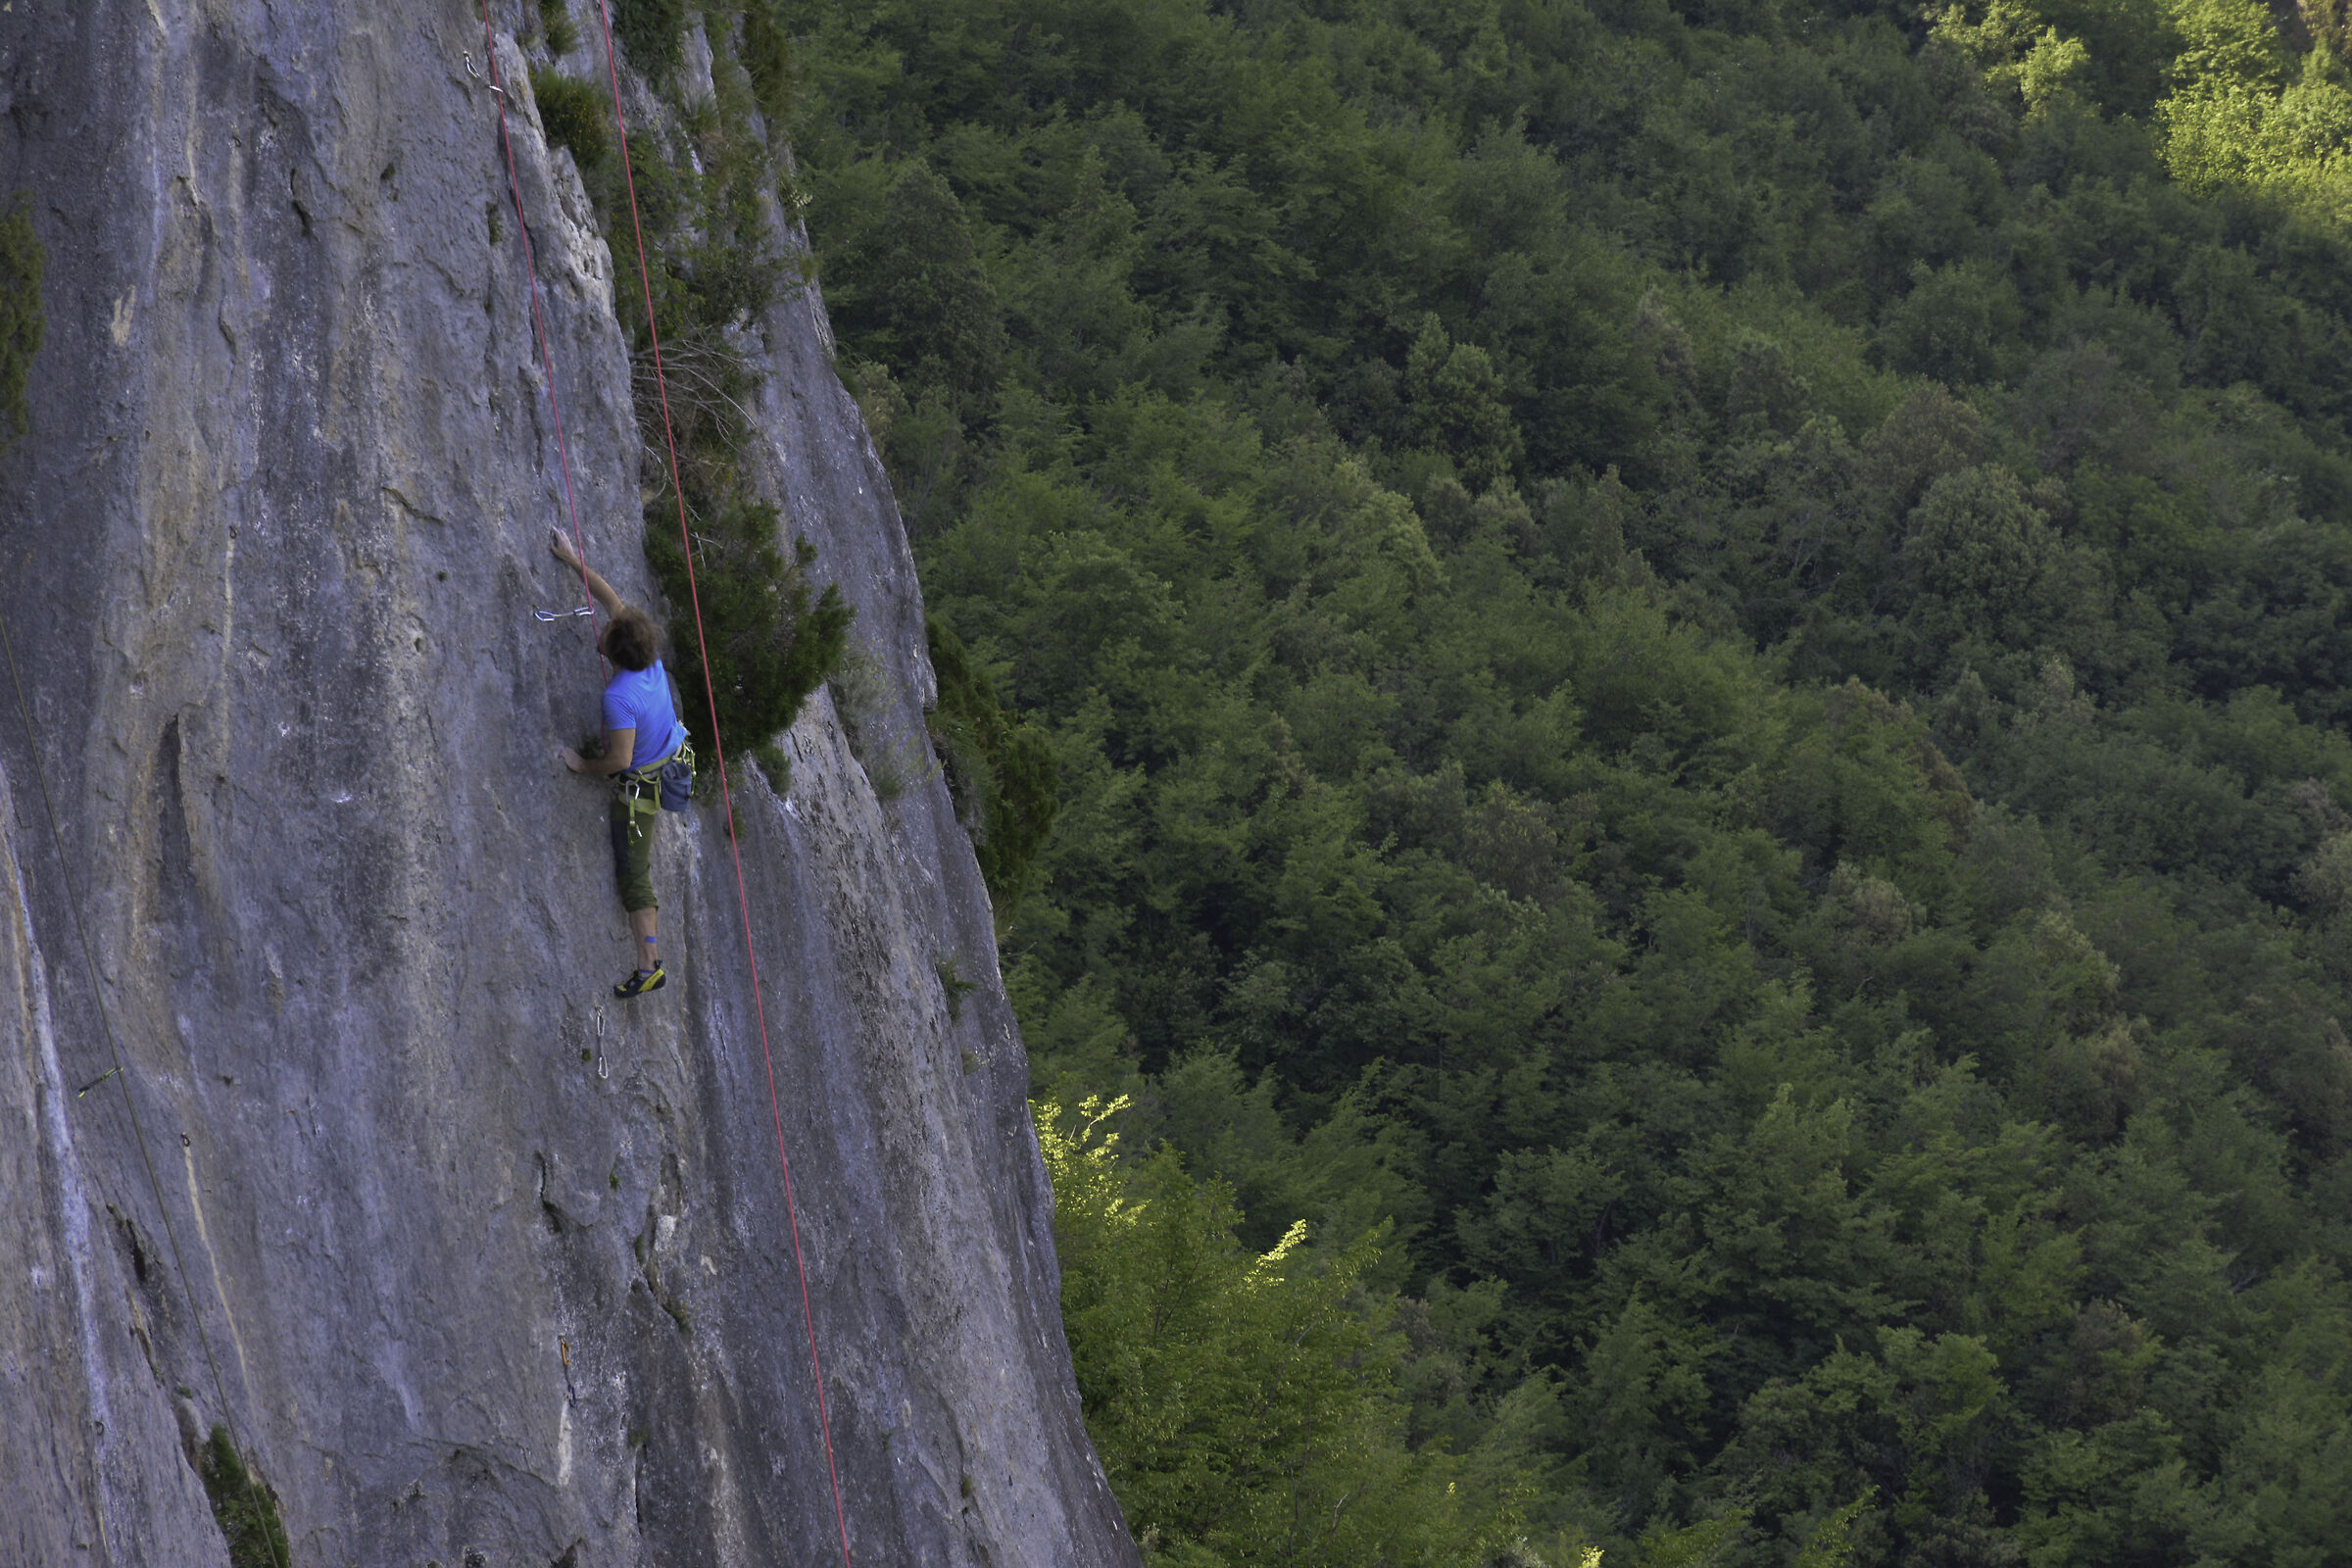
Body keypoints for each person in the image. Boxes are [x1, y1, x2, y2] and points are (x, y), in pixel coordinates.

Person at [549, 527, 688, 999]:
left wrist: (580, 764)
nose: (603, 624)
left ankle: (649, 964)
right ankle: (650, 959)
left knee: (635, 873)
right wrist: (571, 559)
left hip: (643, 786)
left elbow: (619, 759)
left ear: (614, 649)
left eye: (606, 630)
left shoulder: (618, 697)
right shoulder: (647, 659)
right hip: (673, 754)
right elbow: (611, 598)